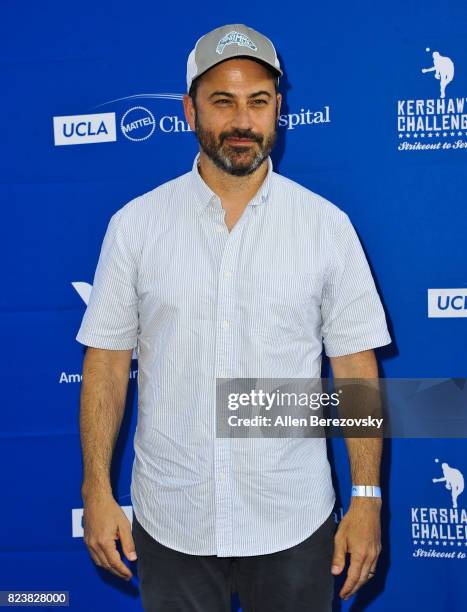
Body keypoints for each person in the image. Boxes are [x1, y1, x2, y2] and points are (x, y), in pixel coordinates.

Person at [77, 23, 392, 612]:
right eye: (223, 101)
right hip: (172, 520)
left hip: (292, 519)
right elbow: (107, 362)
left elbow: (354, 367)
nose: (242, 121)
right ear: (189, 110)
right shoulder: (136, 227)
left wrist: (367, 497)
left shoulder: (325, 228)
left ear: (279, 110)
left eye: (259, 101)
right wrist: (96, 485)